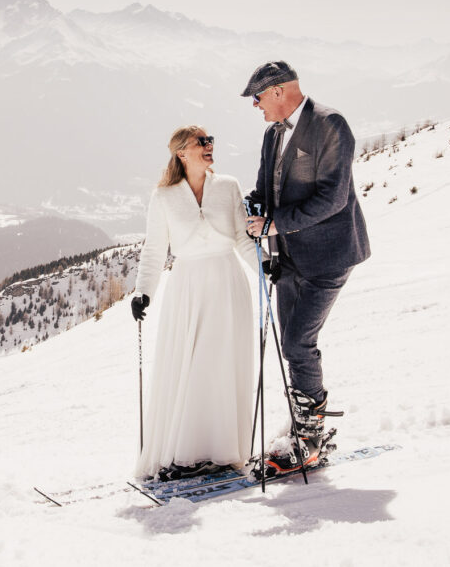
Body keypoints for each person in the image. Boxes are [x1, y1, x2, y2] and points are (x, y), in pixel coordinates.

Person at [241, 60, 370, 474]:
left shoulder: (331, 124)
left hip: (329, 256)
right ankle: (302, 427)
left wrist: (277, 223)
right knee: (291, 346)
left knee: (298, 342)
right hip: (288, 257)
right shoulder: (271, 134)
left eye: (258, 97)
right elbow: (265, 187)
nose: (256, 106)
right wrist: (254, 210)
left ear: (278, 91)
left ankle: (311, 438)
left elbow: (334, 197)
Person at [130, 125, 260, 481]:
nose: (209, 146)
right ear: (181, 153)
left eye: (210, 140)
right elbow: (154, 250)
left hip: (227, 282)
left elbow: (242, 239)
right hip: (188, 287)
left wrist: (266, 270)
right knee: (191, 364)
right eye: (201, 142)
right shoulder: (165, 197)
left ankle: (221, 452)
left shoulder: (228, 186)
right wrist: (144, 292)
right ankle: (186, 452)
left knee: (220, 363)